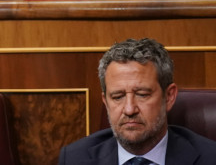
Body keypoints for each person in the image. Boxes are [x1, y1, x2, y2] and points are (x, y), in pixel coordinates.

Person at [58, 38, 216, 164]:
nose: (129, 109)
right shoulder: (76, 159)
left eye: (142, 94)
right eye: (117, 97)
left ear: (168, 97)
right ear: (105, 102)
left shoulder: (210, 158)